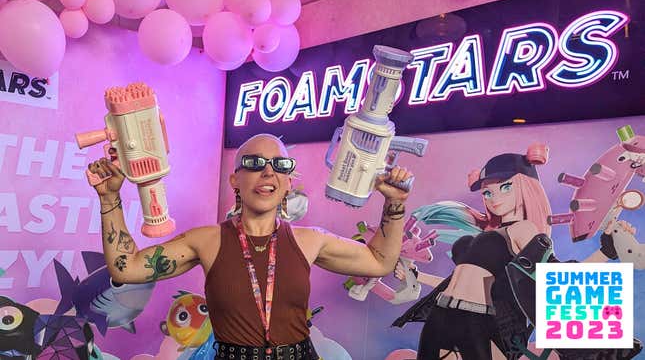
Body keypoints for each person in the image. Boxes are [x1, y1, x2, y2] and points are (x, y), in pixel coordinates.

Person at [88, 133, 413, 360]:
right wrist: (109, 198)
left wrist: (395, 204)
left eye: (279, 166)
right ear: (235, 180)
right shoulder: (207, 240)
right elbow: (126, 268)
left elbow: (379, 262)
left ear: (288, 183)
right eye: (254, 163)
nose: (268, 170)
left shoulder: (310, 240)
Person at [392, 144, 642, 360]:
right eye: (487, 192)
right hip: (443, 314)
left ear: (525, 187)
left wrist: (607, 251)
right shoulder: (488, 236)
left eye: (506, 187)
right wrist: (418, 276)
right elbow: (458, 282)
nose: (493, 197)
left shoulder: (524, 228)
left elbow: (557, 277)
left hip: (476, 321)